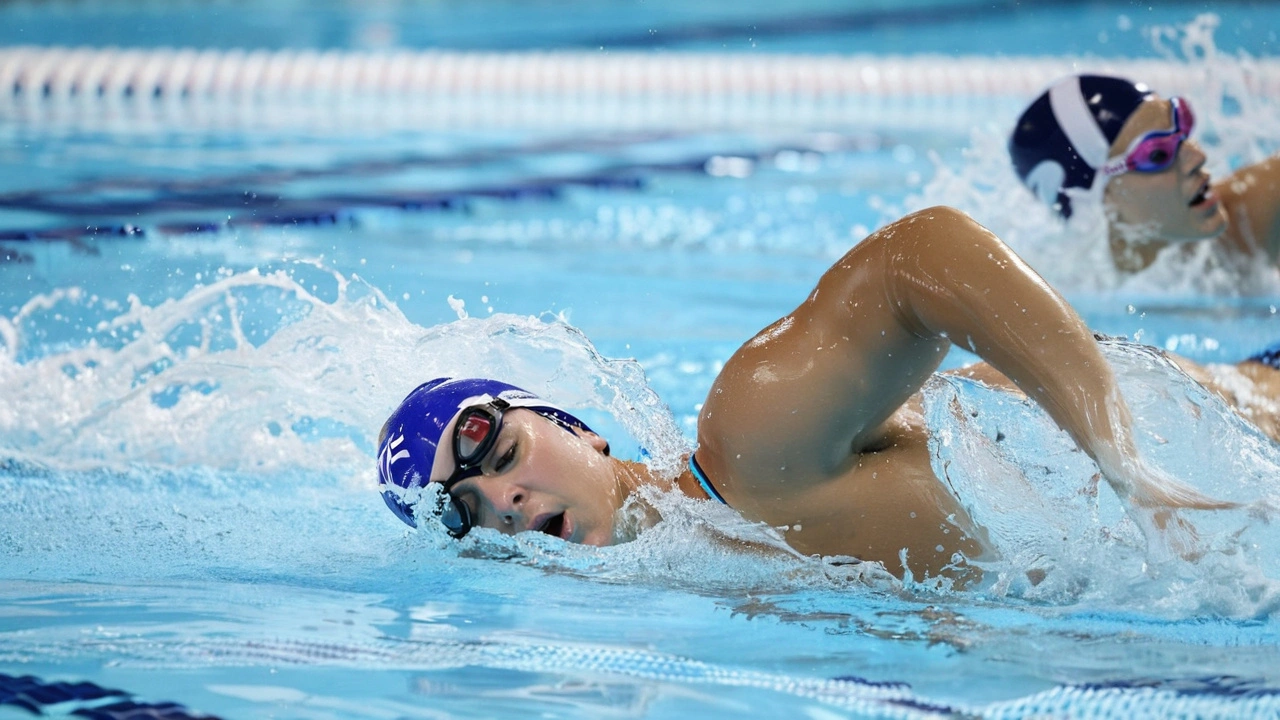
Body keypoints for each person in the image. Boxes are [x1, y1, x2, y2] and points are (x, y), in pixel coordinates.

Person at [376, 206, 1279, 581]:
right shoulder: (712, 578)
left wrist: (1120, 457)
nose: (506, 500)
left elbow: (926, 251)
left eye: (499, 452)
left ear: (576, 428)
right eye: (467, 512)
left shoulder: (751, 441)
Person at [1009, 73, 1280, 273]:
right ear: (1102, 199)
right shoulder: (1067, 296)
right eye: (1158, 154)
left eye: (1183, 129)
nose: (1197, 156)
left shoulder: (1250, 222)